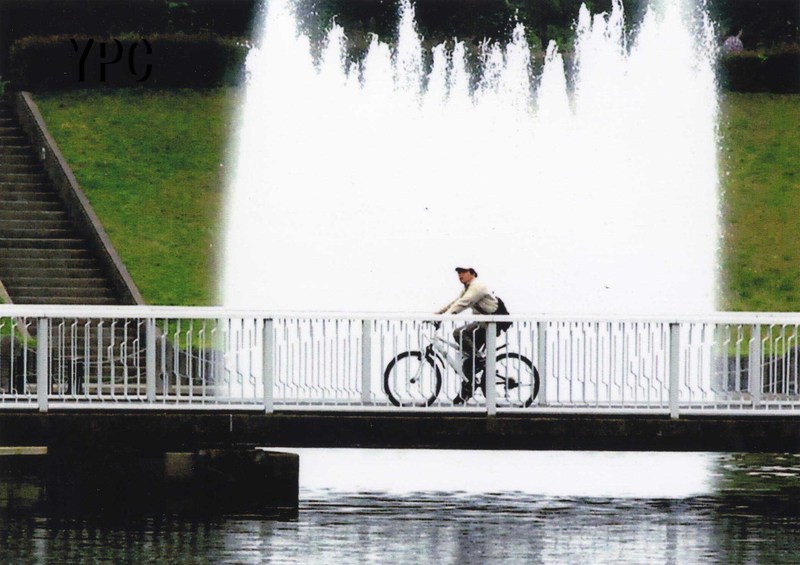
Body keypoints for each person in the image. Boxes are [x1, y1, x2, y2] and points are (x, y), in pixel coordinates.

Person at [435, 266, 511, 404]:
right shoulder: (467, 288)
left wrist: (444, 318)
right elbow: (455, 303)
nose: (460, 275)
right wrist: (437, 314)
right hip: (482, 324)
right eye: (459, 272)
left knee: (459, 333)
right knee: (467, 360)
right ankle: (467, 389)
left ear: (472, 273)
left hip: (490, 325)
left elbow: (463, 303)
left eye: (463, 272)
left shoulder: (477, 286)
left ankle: (479, 360)